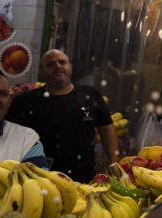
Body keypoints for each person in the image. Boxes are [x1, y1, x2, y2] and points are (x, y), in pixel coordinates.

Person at [7, 49, 118, 181]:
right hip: (38, 179)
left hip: (84, 178)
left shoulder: (90, 96)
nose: (58, 66)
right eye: (51, 64)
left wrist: (113, 162)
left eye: (62, 62)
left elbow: (106, 128)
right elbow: (10, 136)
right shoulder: (26, 101)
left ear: (70, 67)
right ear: (41, 72)